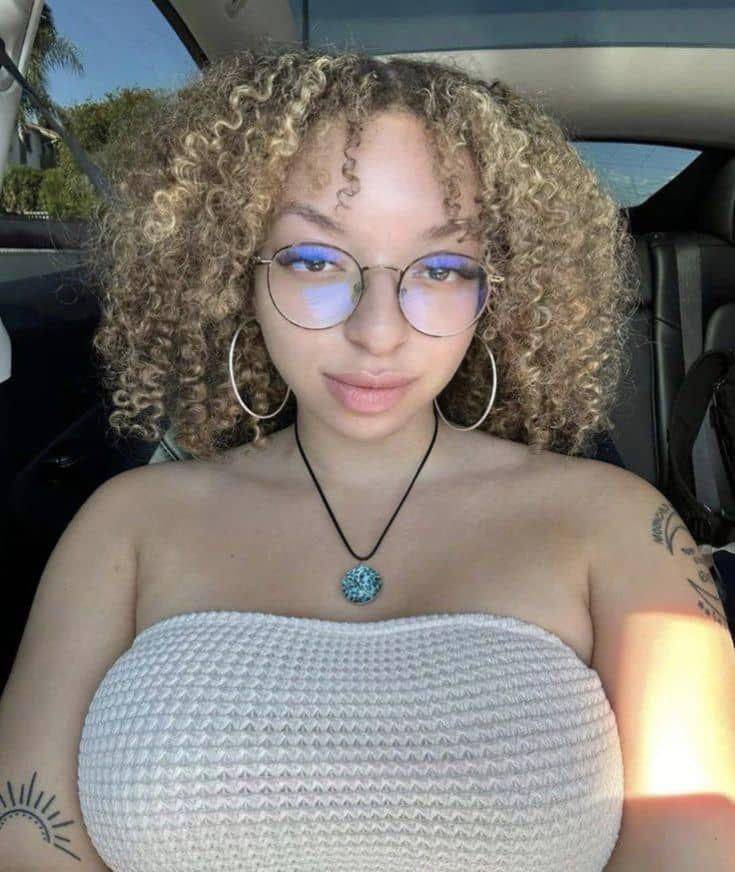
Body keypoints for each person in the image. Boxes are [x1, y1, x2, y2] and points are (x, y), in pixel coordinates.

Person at [0, 48, 640, 871]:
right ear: (234, 272)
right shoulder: (126, 524)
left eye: (442, 269)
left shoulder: (618, 527)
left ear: (498, 292)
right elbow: (25, 834)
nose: (377, 332)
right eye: (313, 261)